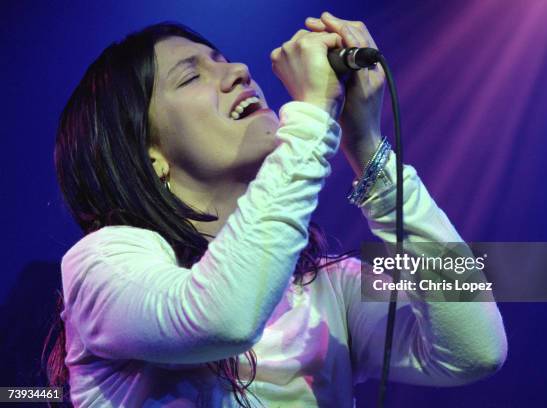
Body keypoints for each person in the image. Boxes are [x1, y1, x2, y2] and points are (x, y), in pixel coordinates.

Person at [44, 11, 508, 408]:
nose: (240, 71)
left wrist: (366, 147)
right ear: (150, 156)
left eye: (223, 61)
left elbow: (474, 350)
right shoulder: (103, 263)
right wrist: (312, 117)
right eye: (191, 76)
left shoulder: (325, 286)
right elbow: (222, 319)